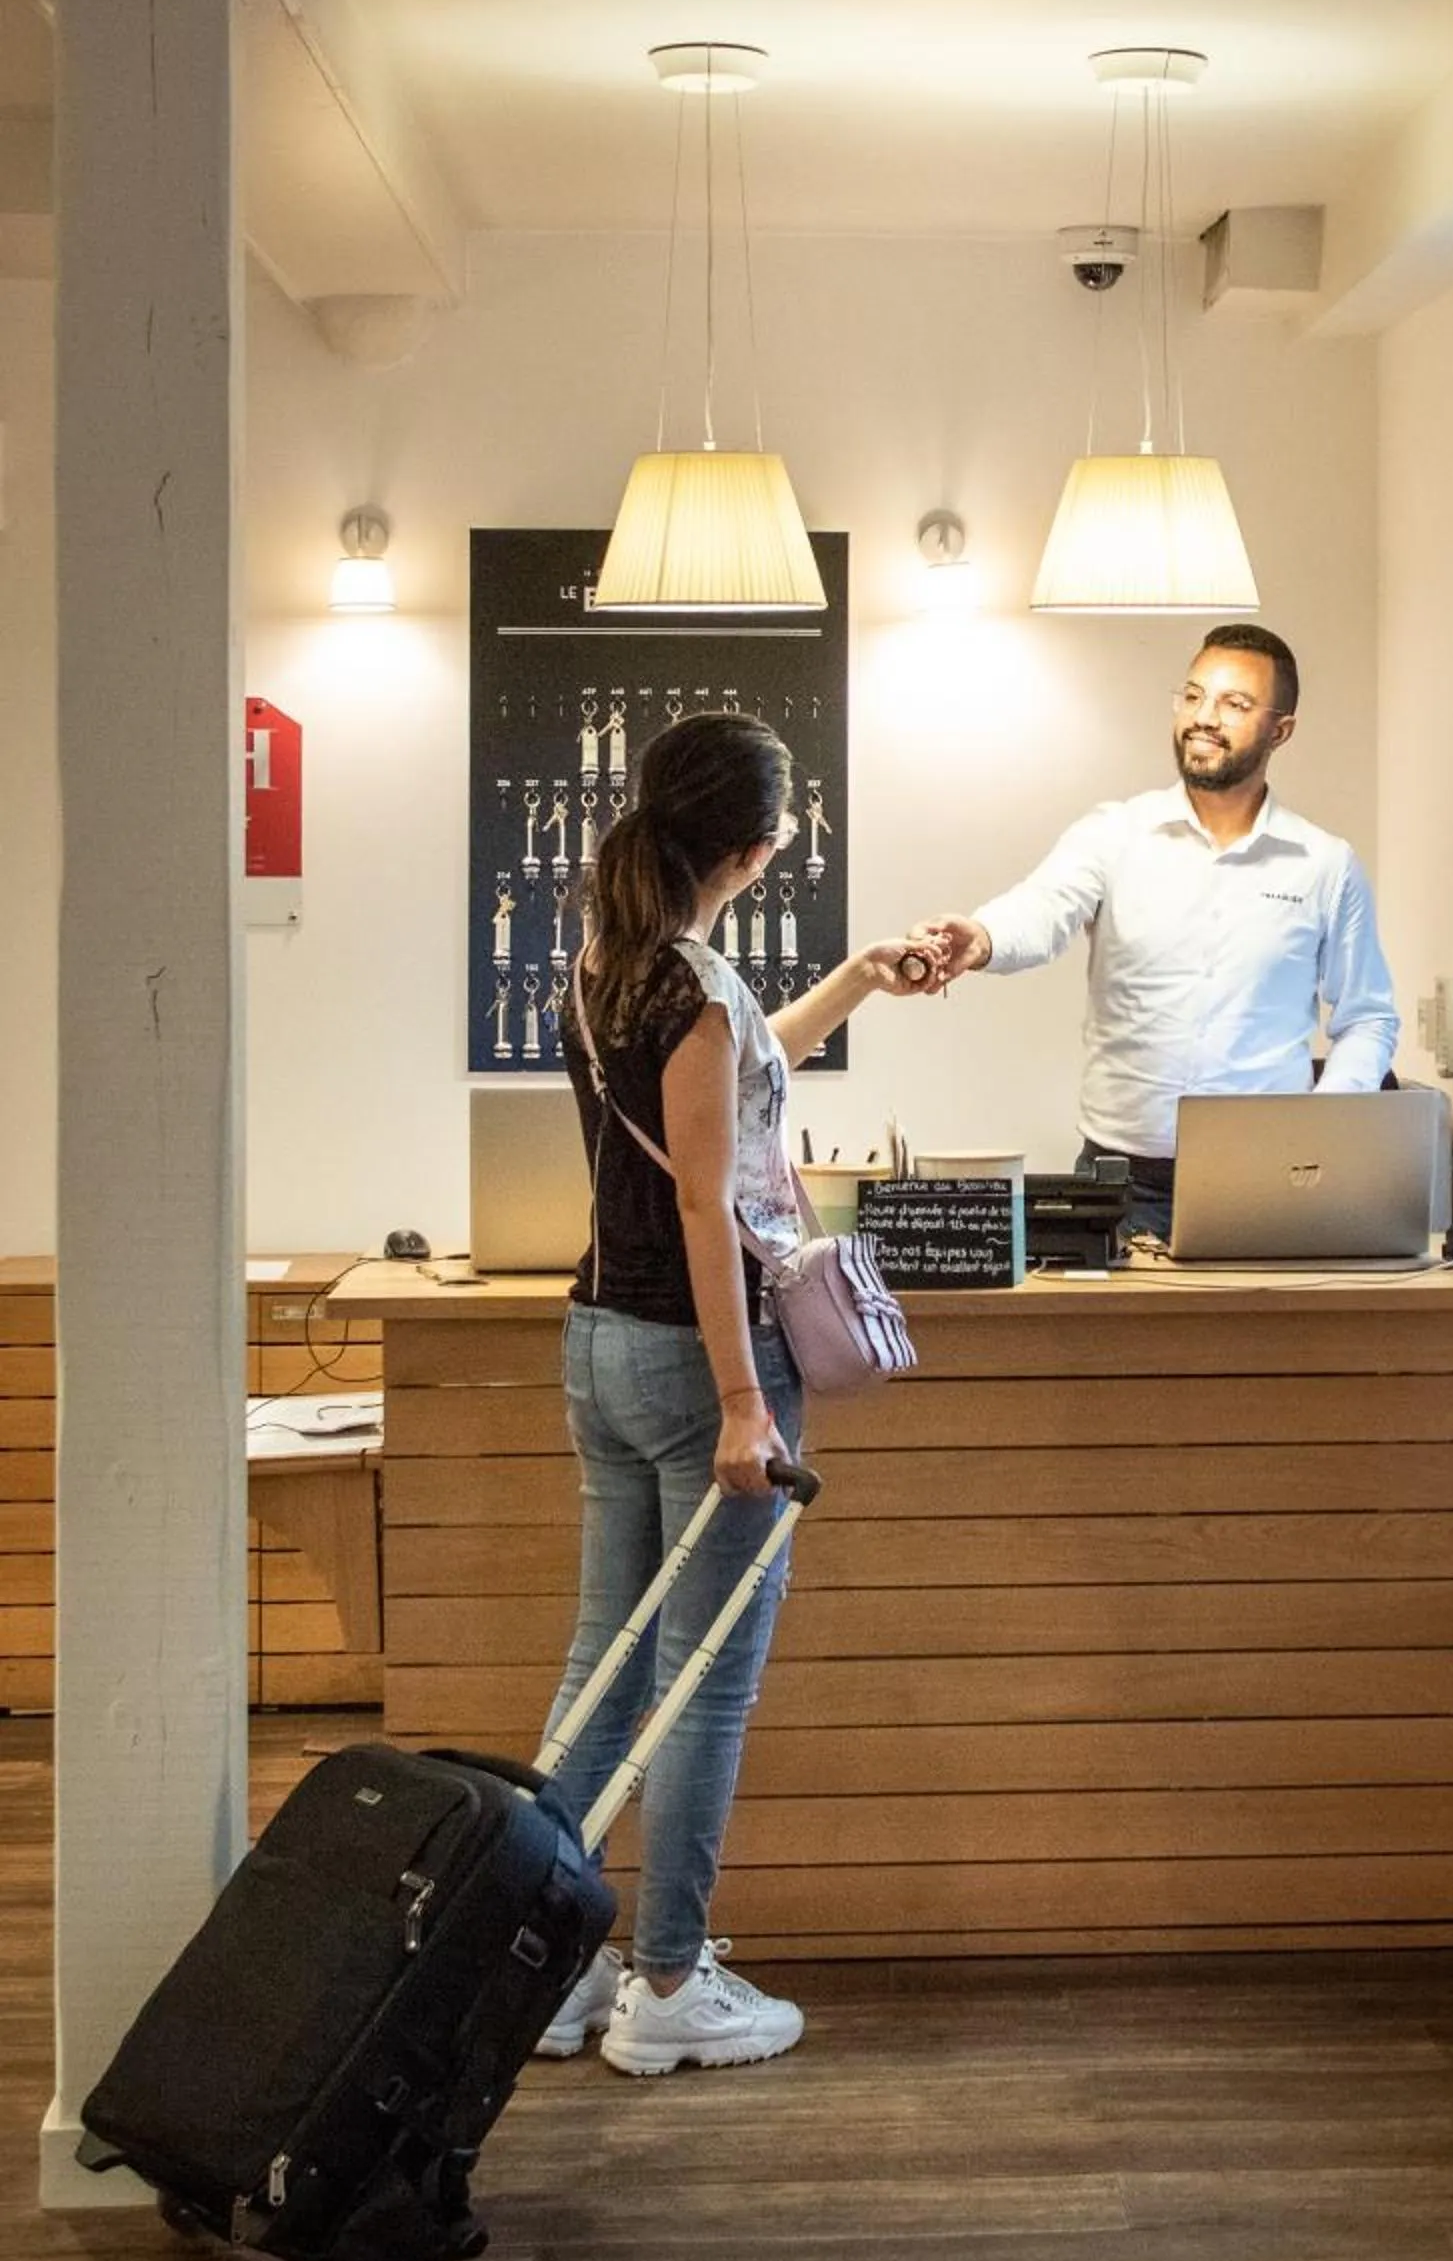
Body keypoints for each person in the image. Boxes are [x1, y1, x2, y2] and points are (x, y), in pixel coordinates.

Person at [532, 710, 934, 2074]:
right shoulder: (692, 986)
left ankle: (544, 1967)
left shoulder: (606, 964)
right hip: (700, 1362)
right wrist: (744, 1405)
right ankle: (667, 1985)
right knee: (705, 1688)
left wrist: (856, 983)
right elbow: (708, 1204)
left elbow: (738, 1074)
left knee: (604, 1669)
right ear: (760, 848)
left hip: (597, 1341)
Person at [914, 625, 1398, 1235]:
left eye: (1234, 704)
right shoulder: (1116, 833)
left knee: (1260, 1336)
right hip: (1117, 1187)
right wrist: (981, 937)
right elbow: (1043, 909)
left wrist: (1318, 1133)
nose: (1204, 717)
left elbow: (1369, 1018)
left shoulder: (1325, 864)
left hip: (1268, 1185)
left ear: (1281, 730)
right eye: (1193, 696)